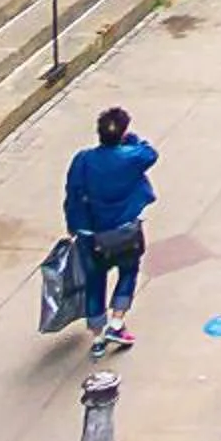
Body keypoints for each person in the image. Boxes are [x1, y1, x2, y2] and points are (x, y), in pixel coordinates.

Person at [63, 105, 159, 356]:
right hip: (124, 232)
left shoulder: (83, 160)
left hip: (91, 235)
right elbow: (150, 153)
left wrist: (73, 225)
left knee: (95, 281)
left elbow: (72, 194)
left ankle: (97, 336)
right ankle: (117, 322)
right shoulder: (132, 157)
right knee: (128, 271)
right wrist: (133, 139)